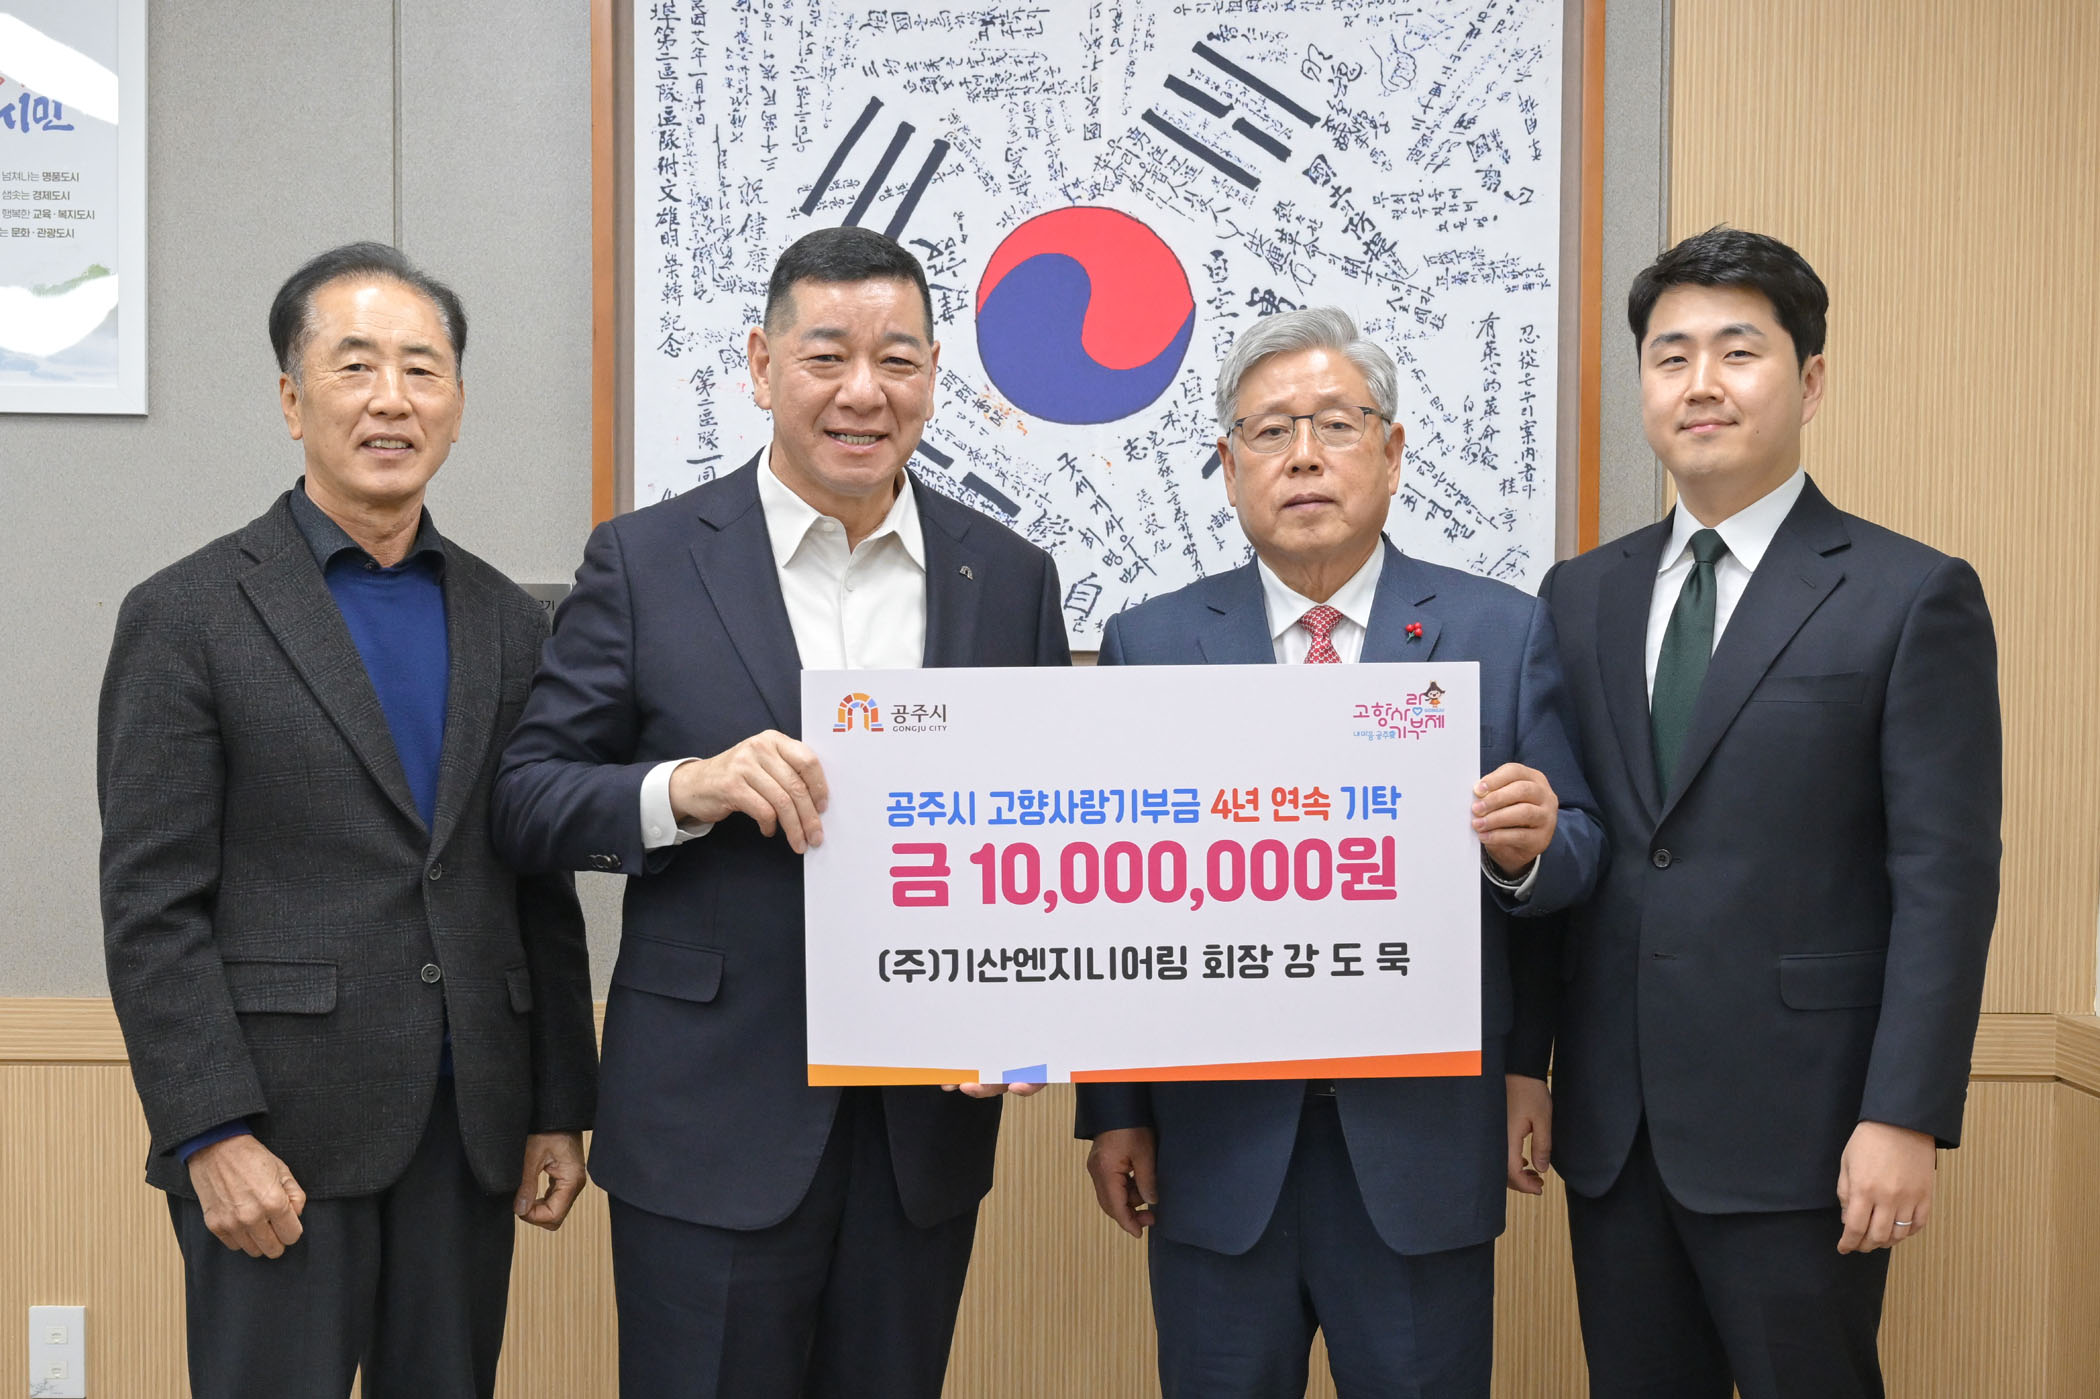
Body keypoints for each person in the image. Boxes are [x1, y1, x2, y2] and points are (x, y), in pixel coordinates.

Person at [491, 226, 1070, 1399]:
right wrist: (683, 790)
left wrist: (1024, 1010)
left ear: (933, 376)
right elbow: (527, 799)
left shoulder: (1008, 577)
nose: (864, 391)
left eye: (896, 360)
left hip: (922, 1134)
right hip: (709, 1119)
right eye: (826, 356)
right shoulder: (647, 561)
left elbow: (1048, 828)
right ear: (762, 366)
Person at [97, 242, 598, 1399]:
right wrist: (209, 1132)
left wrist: (558, 1104)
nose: (391, 399)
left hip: (468, 1129)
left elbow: (537, 885)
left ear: (457, 403)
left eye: (423, 369)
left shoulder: (510, 623)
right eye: (356, 365)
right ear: (292, 399)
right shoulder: (188, 613)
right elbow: (150, 906)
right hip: (274, 1139)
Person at [1074, 306, 1604, 1398]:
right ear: (1228, 467)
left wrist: (1529, 849)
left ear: (1393, 451)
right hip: (1217, 1147)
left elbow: (1580, 852)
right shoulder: (1149, 643)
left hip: (1422, 1146)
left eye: (1336, 424)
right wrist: (1115, 1107)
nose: (1304, 456)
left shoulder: (1500, 632)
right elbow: (1113, 897)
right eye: (1270, 431)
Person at [1534, 226, 2001, 1398]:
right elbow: (1573, 843)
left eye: (1738, 352)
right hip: (1617, 1130)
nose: (1701, 383)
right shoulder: (1580, 595)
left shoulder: (1909, 593)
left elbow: (1945, 879)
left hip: (1811, 1130)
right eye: (1671, 355)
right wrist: (1525, 1066)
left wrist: (1904, 1115)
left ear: (1811, 380)